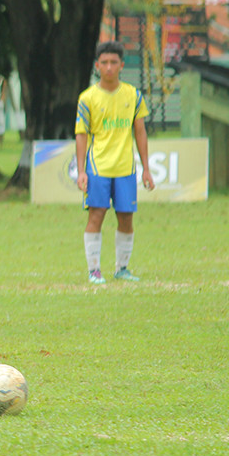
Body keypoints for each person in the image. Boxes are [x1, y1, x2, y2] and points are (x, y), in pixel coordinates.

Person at [75, 41, 154, 285]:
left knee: (126, 217)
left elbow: (140, 132)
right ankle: (94, 270)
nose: (109, 67)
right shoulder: (87, 98)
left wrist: (146, 169)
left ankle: (122, 268)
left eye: (114, 63)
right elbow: (81, 135)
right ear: (97, 66)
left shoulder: (133, 95)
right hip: (98, 168)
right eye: (104, 63)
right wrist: (81, 171)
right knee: (96, 215)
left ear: (121, 65)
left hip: (125, 169)